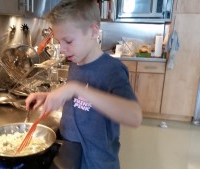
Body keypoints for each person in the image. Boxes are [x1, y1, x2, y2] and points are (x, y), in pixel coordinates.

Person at [25, 0, 143, 168]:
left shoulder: (112, 70)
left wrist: (74, 88)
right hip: (72, 155)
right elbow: (79, 99)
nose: (63, 49)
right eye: (59, 42)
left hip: (97, 163)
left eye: (68, 41)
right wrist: (48, 96)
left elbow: (134, 117)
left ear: (93, 31)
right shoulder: (76, 62)